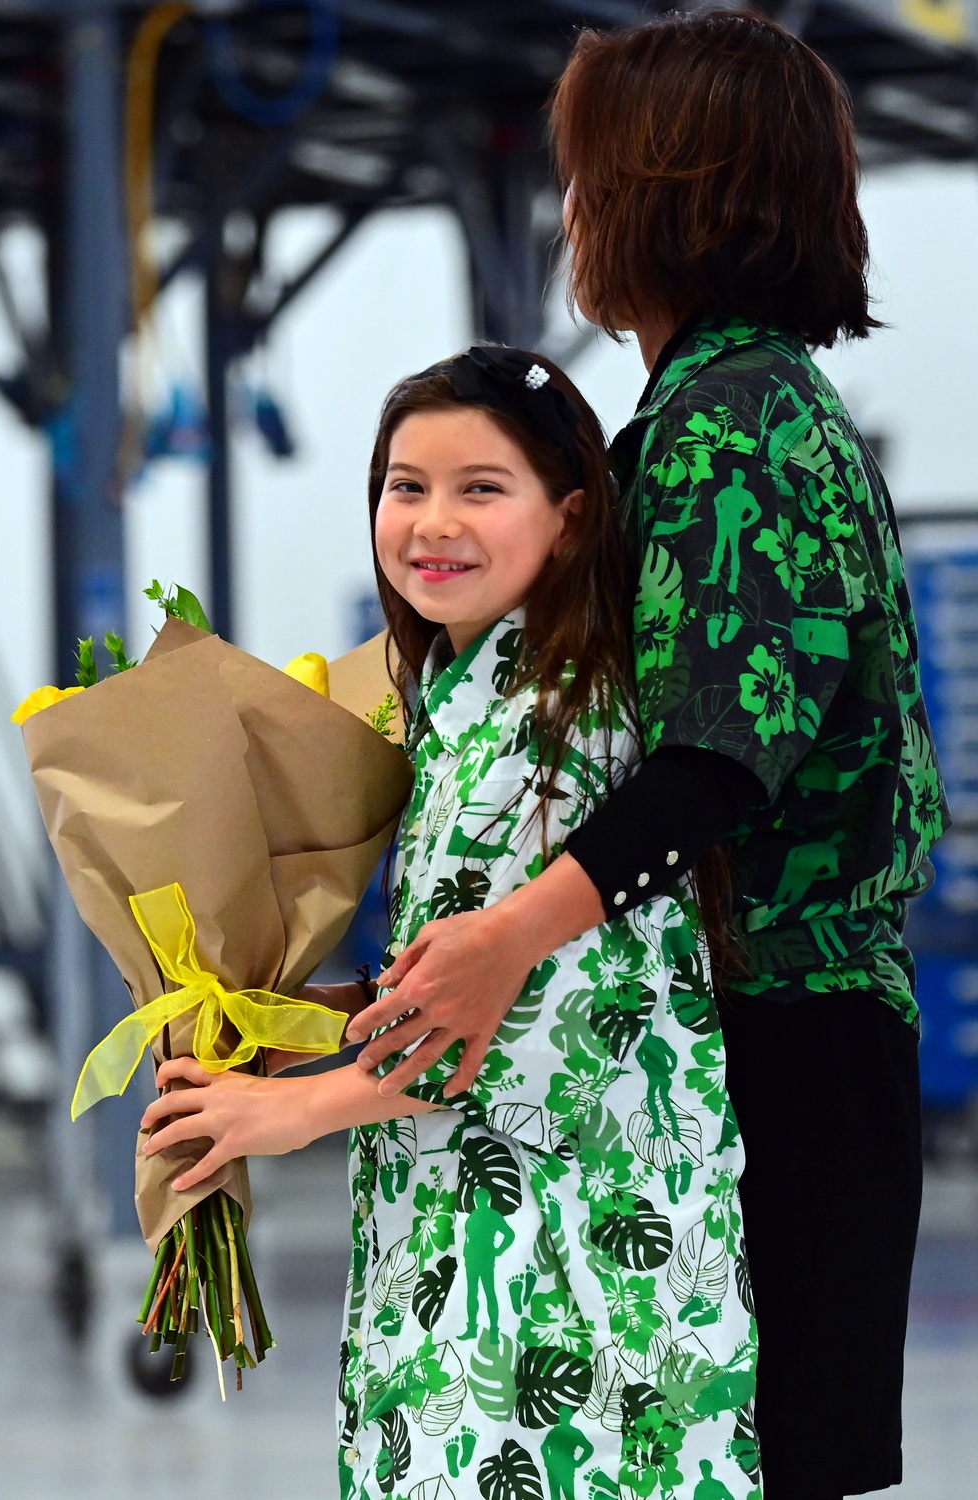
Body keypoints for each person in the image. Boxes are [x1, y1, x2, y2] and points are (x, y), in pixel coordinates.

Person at [345, 16, 949, 1500]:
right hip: (755, 1029)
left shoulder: (736, 424)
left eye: (589, 176)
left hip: (782, 1038)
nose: (574, 214)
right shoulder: (710, 412)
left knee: (757, 1459)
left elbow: (719, 763)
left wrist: (498, 940)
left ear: (664, 189)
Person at [142, 345, 761, 1500]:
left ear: (570, 518)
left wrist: (285, 1114)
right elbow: (458, 986)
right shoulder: (464, 716)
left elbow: (538, 1035)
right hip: (495, 1256)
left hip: (563, 1291)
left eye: (482, 488)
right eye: (404, 484)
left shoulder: (549, 727)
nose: (432, 520)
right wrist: (311, 1024)